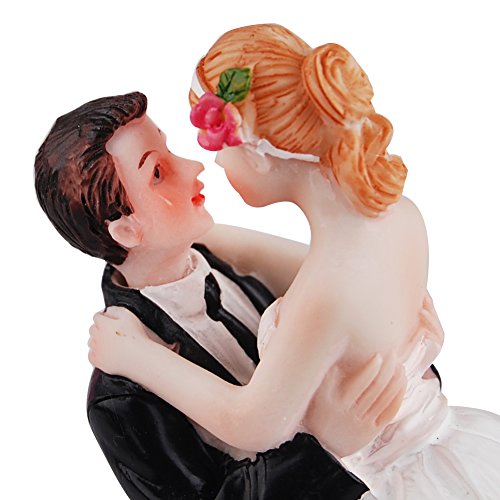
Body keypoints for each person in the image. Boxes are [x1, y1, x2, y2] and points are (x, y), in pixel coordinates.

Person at [89, 25, 500, 499]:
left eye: (218, 148)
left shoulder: (324, 296)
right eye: (160, 171)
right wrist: (192, 232)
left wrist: (139, 357)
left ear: (259, 157)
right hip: (459, 447)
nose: (206, 165)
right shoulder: (399, 216)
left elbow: (250, 422)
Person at [35, 91, 408, 499]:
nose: (193, 166)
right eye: (157, 172)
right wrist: (325, 443)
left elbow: (347, 315)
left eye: (170, 151)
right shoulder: (120, 398)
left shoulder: (230, 265)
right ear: (126, 230)